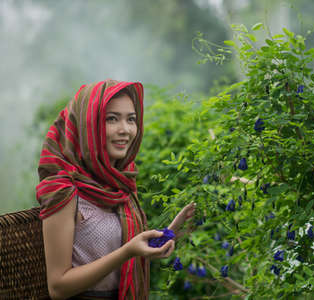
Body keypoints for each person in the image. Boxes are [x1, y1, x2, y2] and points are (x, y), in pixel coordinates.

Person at [36, 79, 195, 300]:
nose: (125, 130)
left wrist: (168, 234)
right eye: (112, 119)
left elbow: (122, 257)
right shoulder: (63, 189)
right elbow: (58, 287)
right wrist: (127, 252)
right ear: (88, 125)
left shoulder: (120, 184)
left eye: (131, 119)